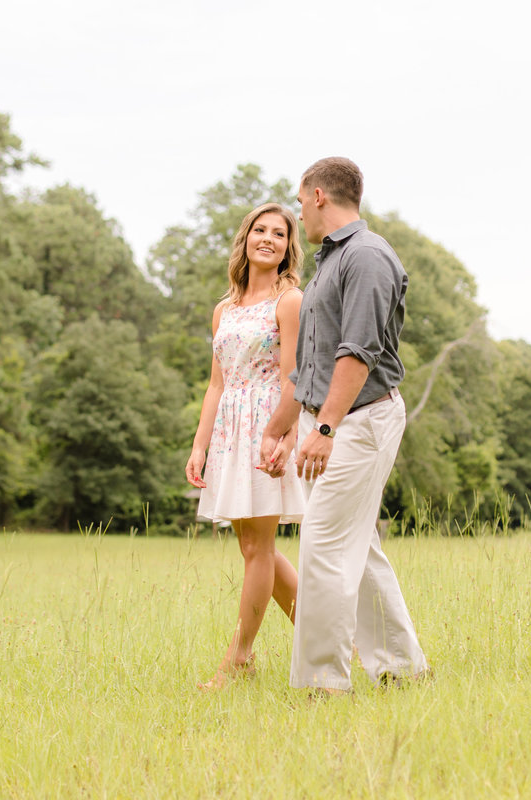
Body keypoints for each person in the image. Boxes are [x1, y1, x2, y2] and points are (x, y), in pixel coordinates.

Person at [260, 157, 429, 694]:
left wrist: (325, 429)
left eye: (298, 200)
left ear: (315, 196)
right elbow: (310, 361)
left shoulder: (368, 257)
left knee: (324, 548)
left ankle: (321, 685)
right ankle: (402, 669)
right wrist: (287, 426)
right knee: (358, 548)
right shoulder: (329, 261)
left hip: (361, 420)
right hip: (331, 420)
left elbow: (358, 352)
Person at [186, 202, 306, 690]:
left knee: (259, 547)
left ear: (287, 248)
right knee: (253, 547)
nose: (269, 239)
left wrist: (284, 435)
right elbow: (216, 384)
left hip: (265, 427)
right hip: (229, 432)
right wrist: (200, 447)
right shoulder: (224, 309)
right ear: (246, 238)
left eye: (280, 234)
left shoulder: (290, 301)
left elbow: (292, 376)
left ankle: (239, 658)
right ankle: (335, 638)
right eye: (261, 230)